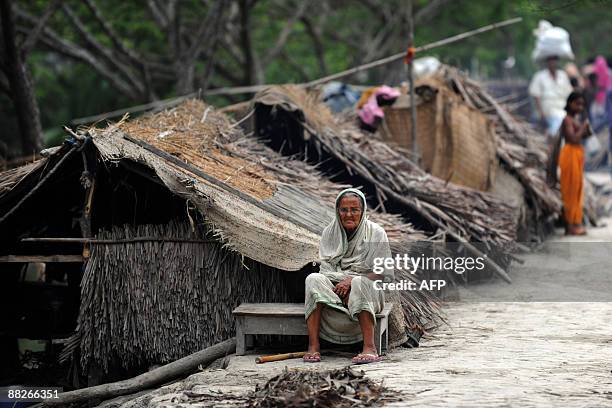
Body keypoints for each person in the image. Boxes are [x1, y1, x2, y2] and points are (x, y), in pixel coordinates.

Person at [303, 188, 393, 364]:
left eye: (354, 210)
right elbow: (326, 271)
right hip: (337, 290)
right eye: (344, 210)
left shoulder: (376, 233)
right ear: (338, 211)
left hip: (369, 290)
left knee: (360, 281)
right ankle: (313, 346)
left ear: (363, 211)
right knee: (313, 279)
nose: (349, 214)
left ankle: (369, 347)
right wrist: (341, 285)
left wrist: (351, 281)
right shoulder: (329, 233)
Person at [559, 92, 591, 235]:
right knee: (570, 190)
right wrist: (583, 128)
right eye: (577, 103)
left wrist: (586, 130)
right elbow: (572, 139)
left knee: (577, 188)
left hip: (577, 155)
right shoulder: (567, 120)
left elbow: (582, 137)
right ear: (570, 103)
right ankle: (570, 226)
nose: (580, 107)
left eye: (582, 104)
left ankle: (574, 223)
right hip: (570, 154)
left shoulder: (575, 119)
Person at [529, 55, 573, 137]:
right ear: (547, 62)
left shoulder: (562, 76)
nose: (553, 63)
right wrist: (541, 114)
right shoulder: (540, 76)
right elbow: (536, 96)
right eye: (551, 61)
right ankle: (553, 137)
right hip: (548, 112)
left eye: (554, 60)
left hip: (563, 110)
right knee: (557, 126)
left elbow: (570, 94)